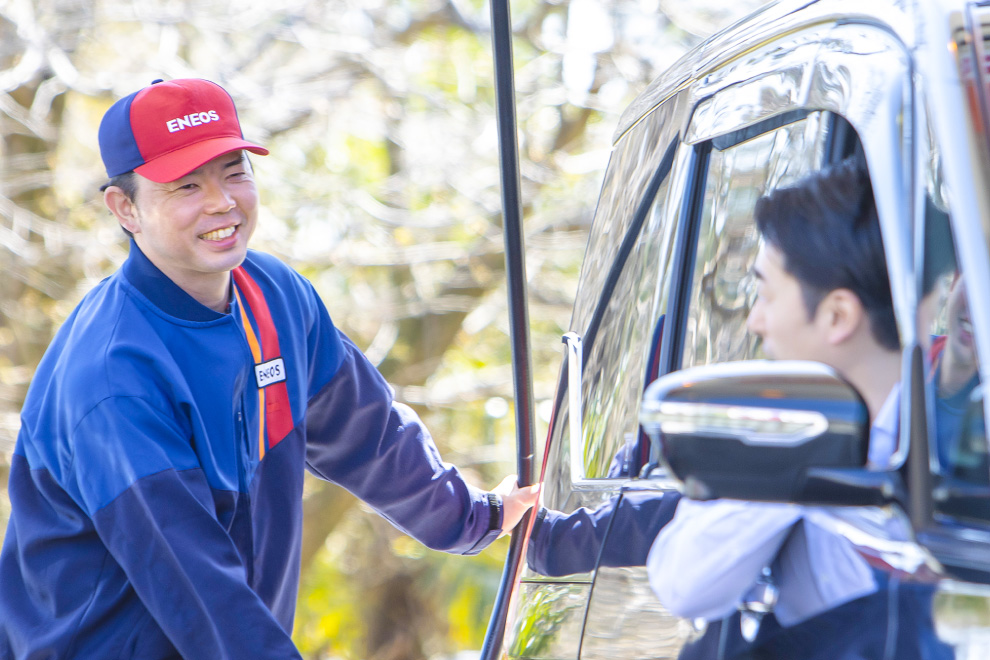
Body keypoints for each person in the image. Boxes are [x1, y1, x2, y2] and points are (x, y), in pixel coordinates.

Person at [0, 78, 539, 660]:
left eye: (234, 171)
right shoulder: (112, 377)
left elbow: (370, 436)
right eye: (186, 185)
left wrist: (472, 518)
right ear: (125, 207)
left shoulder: (274, 296)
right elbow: (197, 585)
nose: (221, 202)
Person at [646, 160, 953, 659]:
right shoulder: (784, 433)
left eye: (766, 294)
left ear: (837, 316)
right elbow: (684, 584)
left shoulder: (966, 448)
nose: (755, 321)